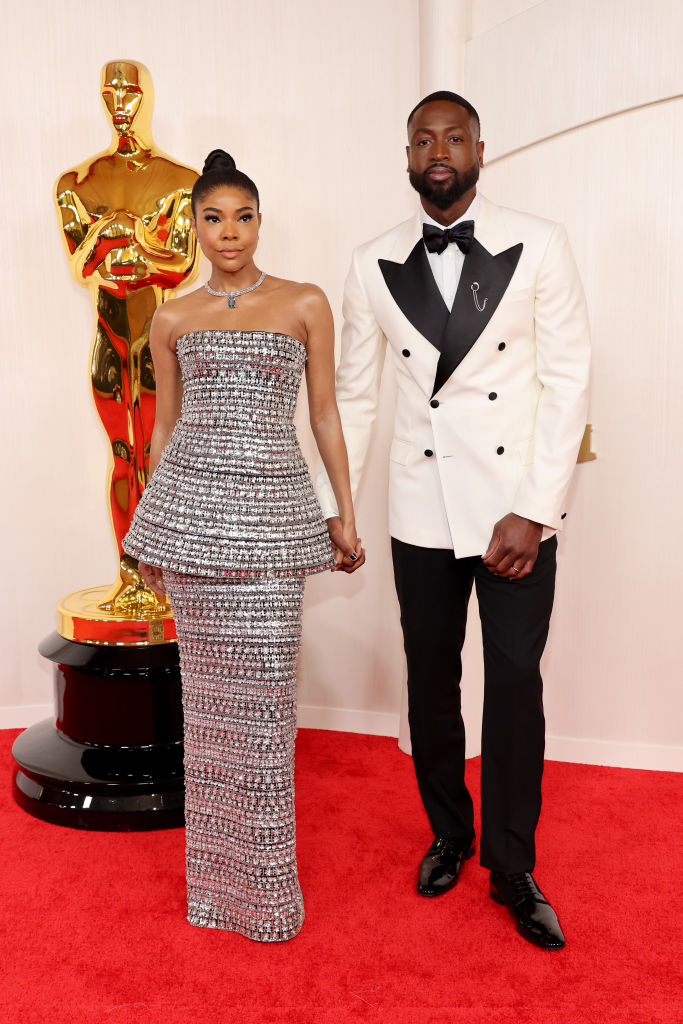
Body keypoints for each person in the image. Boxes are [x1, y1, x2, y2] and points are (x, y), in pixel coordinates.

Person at [315, 92, 590, 950]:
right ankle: (448, 833)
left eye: (454, 136)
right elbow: (355, 395)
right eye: (423, 139)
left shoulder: (539, 242)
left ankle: (511, 863)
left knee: (514, 685)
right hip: (419, 507)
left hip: (514, 512)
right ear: (406, 155)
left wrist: (535, 509)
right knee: (430, 683)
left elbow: (567, 381)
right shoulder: (370, 261)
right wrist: (340, 508)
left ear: (480, 148)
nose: (439, 150)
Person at [123, 149, 364, 942]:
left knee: (262, 716)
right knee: (208, 717)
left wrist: (343, 513)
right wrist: (152, 531)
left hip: (270, 530)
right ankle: (213, 896)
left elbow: (324, 415)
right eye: (212, 218)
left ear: (262, 221)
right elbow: (164, 429)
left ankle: (265, 897)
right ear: (191, 225)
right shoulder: (171, 316)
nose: (228, 233)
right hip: (191, 528)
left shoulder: (304, 303)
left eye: (243, 216)